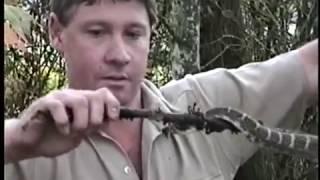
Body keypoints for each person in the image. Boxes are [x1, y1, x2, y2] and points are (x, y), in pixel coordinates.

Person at [4, 0, 318, 180]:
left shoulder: (205, 105)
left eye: (133, 34)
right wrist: (21, 140)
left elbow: (309, 66)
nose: (120, 54)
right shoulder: (28, 152)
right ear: (57, 32)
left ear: (151, 36)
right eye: (97, 32)